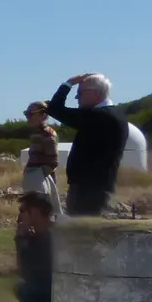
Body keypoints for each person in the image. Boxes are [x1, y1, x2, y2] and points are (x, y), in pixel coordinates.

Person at [48, 73, 130, 216]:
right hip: (97, 187)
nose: (77, 98)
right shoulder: (113, 114)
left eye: (80, 93)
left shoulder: (99, 116)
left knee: (83, 234)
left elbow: (55, 109)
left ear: (96, 93)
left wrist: (68, 83)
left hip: (89, 190)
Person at [14, 191, 55, 302]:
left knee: (23, 289)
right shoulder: (45, 234)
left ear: (36, 212)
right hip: (58, 289)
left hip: (60, 291)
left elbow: (26, 272)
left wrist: (21, 238)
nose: (20, 215)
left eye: (23, 210)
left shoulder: (49, 239)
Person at [21, 100, 61, 214]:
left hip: (42, 181)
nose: (27, 117)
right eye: (26, 113)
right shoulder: (36, 133)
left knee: (42, 216)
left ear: (43, 115)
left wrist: (37, 177)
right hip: (35, 178)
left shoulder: (48, 134)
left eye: (30, 114)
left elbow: (53, 162)